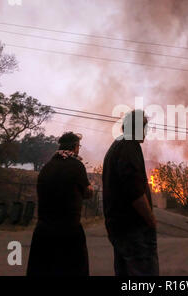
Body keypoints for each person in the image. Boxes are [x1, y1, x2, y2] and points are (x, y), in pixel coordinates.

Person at [27, 132, 94, 276]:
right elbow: (87, 192)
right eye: (78, 146)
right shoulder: (76, 166)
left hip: (43, 230)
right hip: (68, 230)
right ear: (75, 147)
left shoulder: (47, 167)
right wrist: (90, 189)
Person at [102, 109, 159, 276]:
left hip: (119, 227)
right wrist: (150, 219)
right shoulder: (129, 146)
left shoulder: (117, 146)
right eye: (145, 128)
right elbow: (134, 190)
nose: (146, 133)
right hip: (133, 229)